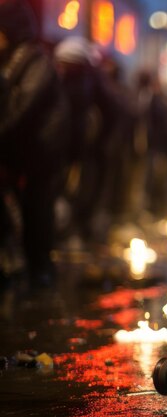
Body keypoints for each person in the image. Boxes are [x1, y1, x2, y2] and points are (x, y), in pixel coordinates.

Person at [0, 0, 69, 288]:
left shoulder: (34, 60)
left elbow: (22, 108)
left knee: (37, 214)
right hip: (26, 153)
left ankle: (41, 274)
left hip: (40, 155)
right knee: (29, 213)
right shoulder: (18, 58)